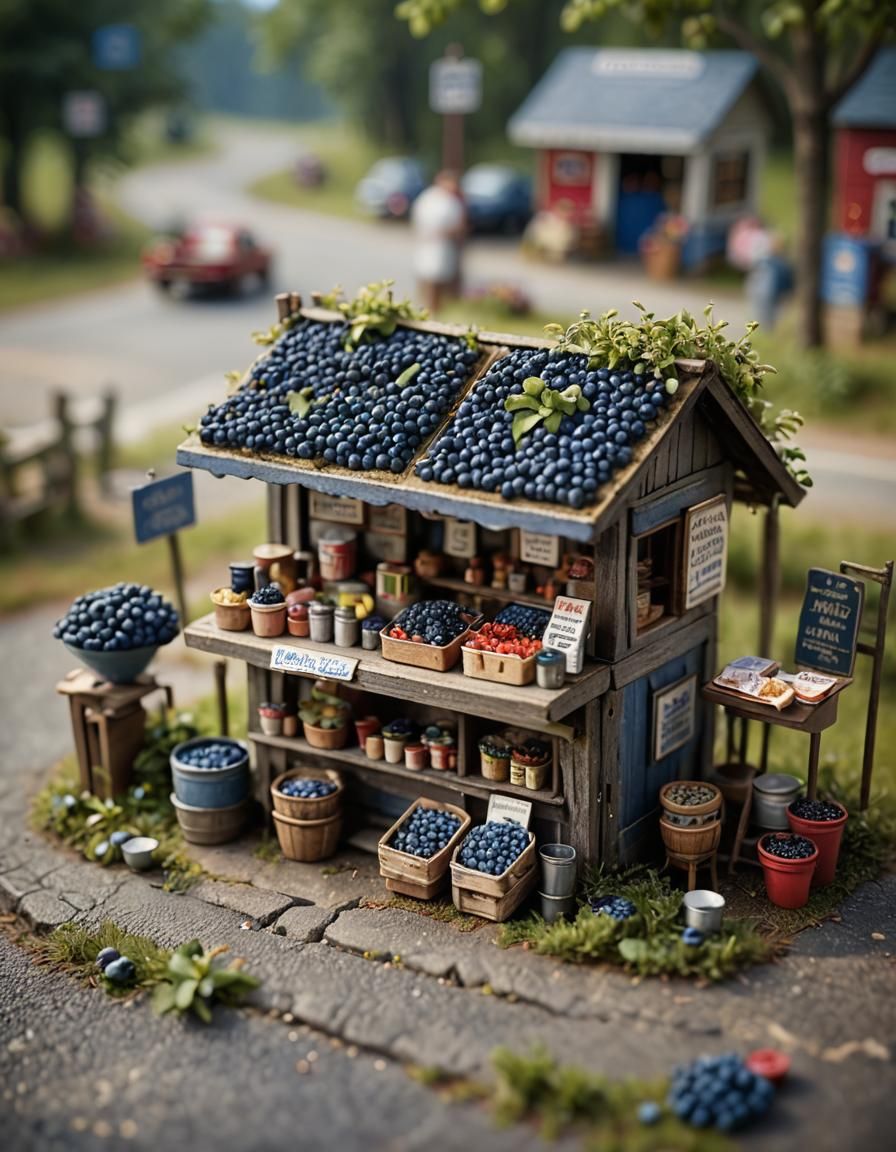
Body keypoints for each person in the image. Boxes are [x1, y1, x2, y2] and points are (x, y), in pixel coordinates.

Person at [411, 170, 466, 313]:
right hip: (430, 246)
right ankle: (425, 307)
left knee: (441, 280)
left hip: (445, 246)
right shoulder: (429, 198)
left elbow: (459, 225)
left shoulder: (452, 201)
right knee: (427, 277)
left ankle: (436, 309)